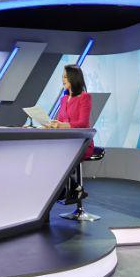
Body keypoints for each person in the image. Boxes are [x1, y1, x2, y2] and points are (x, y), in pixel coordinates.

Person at [46, 64, 95, 204]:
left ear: (74, 78)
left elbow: (82, 123)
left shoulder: (85, 97)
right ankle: (72, 187)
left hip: (81, 143)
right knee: (47, 153)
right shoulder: (63, 99)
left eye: (66, 77)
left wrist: (62, 125)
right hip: (66, 142)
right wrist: (53, 124)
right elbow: (61, 121)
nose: (63, 79)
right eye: (62, 77)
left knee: (59, 155)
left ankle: (70, 187)